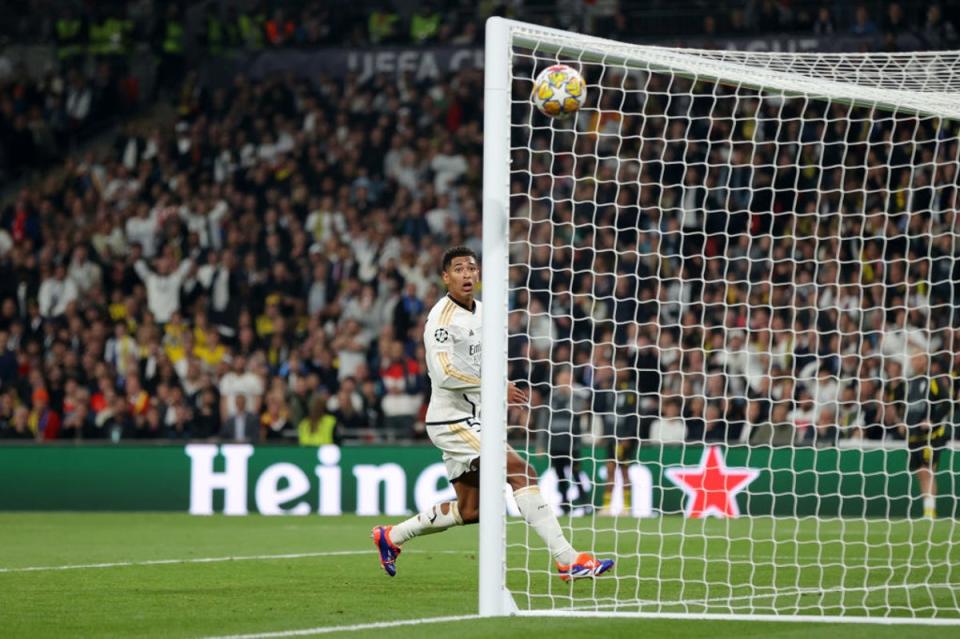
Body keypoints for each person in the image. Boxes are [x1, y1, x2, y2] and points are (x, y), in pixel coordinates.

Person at [372, 246, 613, 581]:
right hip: (451, 420)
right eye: (458, 269)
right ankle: (567, 558)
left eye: (472, 268)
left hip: (476, 418)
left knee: (472, 511)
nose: (467, 274)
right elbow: (444, 375)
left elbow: (482, 362)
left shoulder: (484, 312)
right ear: (446, 277)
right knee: (522, 471)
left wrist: (500, 382)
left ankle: (391, 536)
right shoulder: (440, 321)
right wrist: (493, 386)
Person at [902, 351, 950, 518]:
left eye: (918, 358)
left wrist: (933, 421)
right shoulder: (911, 381)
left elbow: (946, 402)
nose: (915, 361)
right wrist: (905, 422)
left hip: (932, 436)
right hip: (914, 435)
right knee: (921, 473)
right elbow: (910, 406)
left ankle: (930, 511)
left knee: (926, 471)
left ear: (925, 360)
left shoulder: (933, 379)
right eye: (913, 358)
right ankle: (928, 509)